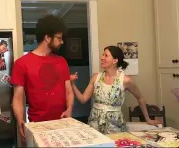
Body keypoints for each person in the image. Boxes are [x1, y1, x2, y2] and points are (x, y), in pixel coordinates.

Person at [10, 15, 74, 143]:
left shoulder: (61, 61)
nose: (62, 42)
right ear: (47, 37)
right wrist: (20, 120)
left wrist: (69, 109)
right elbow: (17, 98)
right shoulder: (21, 63)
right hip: (37, 126)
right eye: (59, 38)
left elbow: (68, 91)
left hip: (62, 123)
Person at [70, 46, 162, 134]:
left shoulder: (125, 80)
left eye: (105, 55)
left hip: (115, 127)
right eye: (102, 55)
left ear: (115, 60)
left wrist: (148, 119)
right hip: (95, 125)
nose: (102, 58)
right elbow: (83, 99)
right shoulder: (95, 77)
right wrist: (73, 84)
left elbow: (140, 98)